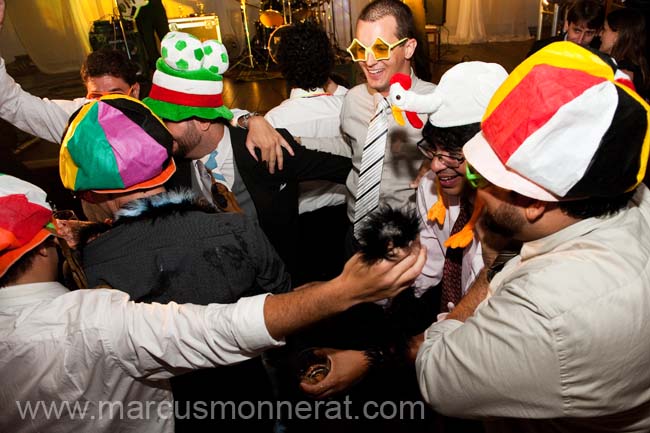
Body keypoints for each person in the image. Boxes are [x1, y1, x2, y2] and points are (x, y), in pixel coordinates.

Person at [0, 172, 425, 433]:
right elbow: (229, 325)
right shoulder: (95, 318)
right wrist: (342, 291)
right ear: (44, 246)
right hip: (249, 395)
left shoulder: (91, 275)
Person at [415, 41, 650, 432]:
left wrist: (490, 265)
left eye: (483, 175)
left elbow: (437, 377)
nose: (476, 186)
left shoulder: (547, 309)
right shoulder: (630, 200)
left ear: (532, 202)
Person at [57, 94, 292, 431]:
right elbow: (284, 307)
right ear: (167, 166)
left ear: (90, 194)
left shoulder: (90, 269)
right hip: (255, 404)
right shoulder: (236, 226)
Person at [143, 31, 351, 282]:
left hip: (281, 286)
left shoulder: (266, 150)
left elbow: (346, 169)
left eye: (168, 120)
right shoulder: (168, 168)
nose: (160, 131)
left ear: (201, 122)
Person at [0, 0, 287, 166]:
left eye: (115, 93)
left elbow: (208, 114)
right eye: (95, 96)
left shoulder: (156, 115)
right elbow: (11, 102)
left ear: (135, 91)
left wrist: (253, 119)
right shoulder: (77, 118)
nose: (106, 104)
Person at [264, 20, 351, 282]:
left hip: (302, 228)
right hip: (349, 217)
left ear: (284, 67)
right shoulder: (352, 106)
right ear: (328, 62)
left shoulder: (273, 122)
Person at [599, 7, 649, 98]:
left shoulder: (622, 74)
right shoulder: (635, 69)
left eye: (605, 29)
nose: (600, 34)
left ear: (617, 36)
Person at [526, 0, 604, 58]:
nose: (580, 40)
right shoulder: (540, 49)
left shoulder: (601, 57)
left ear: (597, 32)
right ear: (567, 25)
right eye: (577, 31)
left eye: (589, 33)